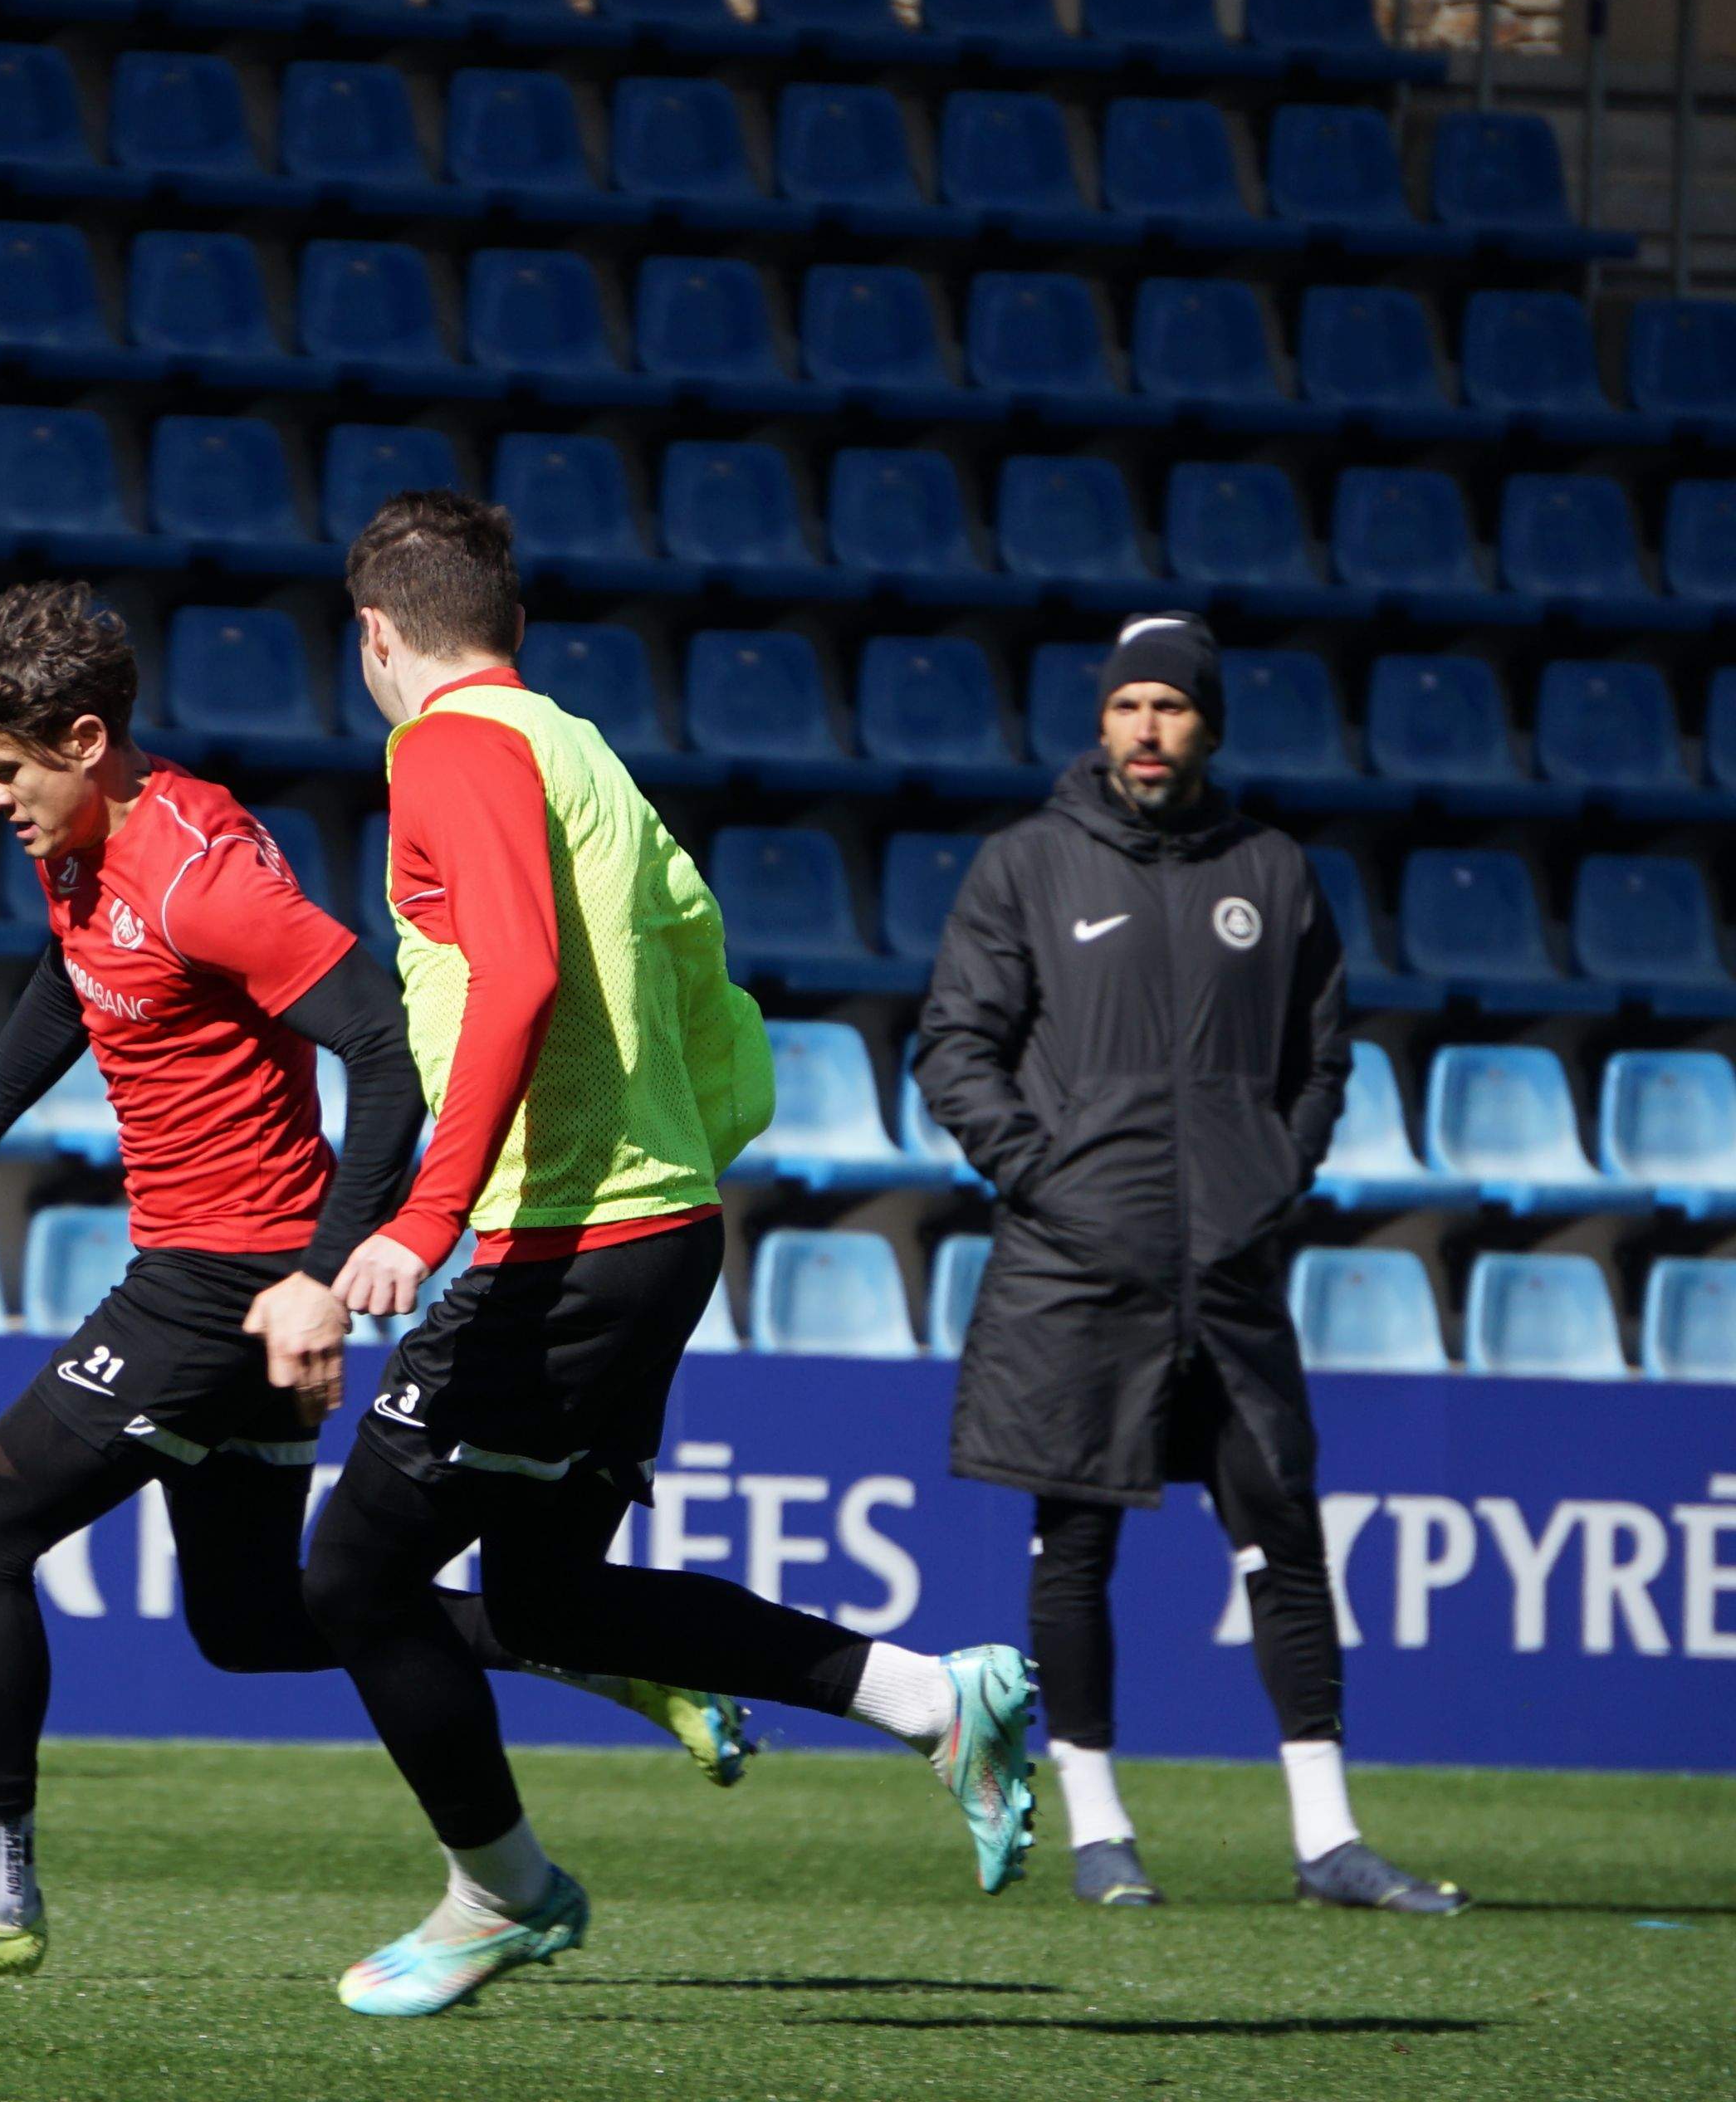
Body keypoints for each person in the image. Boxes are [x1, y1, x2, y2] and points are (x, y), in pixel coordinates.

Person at [0, 583, 750, 1984]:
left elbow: (379, 1040)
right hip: (230, 1278)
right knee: (253, 1621)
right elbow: (76, 980)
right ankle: (593, 1647)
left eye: (5, 769)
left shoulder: (202, 871)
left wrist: (319, 1267)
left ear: (81, 737)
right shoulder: (84, 846)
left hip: (226, 1276)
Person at [305, 491, 1041, 2020]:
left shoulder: (448, 749)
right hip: (655, 1223)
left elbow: (511, 972)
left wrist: (429, 1216)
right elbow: (709, 984)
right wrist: (679, 1166)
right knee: (555, 1600)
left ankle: (498, 1890)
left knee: (355, 1574)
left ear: (376, 632)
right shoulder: (585, 754)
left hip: (560, 1237)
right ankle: (928, 1694)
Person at [915, 612, 1467, 1915]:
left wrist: (1273, 1175)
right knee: (1076, 1543)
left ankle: (1328, 1840)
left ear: (1208, 726)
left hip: (1227, 1263)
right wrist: (1051, 1178)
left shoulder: (1274, 873)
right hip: (1076, 1263)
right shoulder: (1027, 867)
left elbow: (1322, 1057)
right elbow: (955, 1047)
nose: (1147, 729)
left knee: (1283, 1536)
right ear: (1099, 724)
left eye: (1171, 708)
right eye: (1127, 707)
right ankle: (1101, 1828)